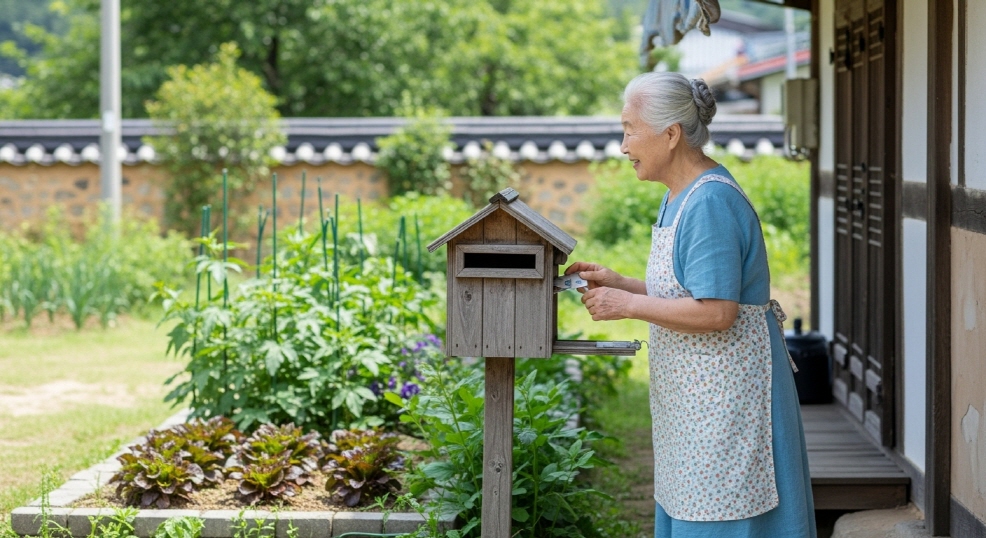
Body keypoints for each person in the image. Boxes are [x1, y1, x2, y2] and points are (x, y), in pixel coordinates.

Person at [564, 71, 816, 537]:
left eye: (629, 130)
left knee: (724, 513)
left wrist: (627, 304)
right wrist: (620, 283)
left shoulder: (710, 203)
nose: (622, 145)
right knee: (698, 504)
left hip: (728, 401)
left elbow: (717, 312)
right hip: (699, 400)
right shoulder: (678, 197)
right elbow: (687, 290)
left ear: (671, 133)